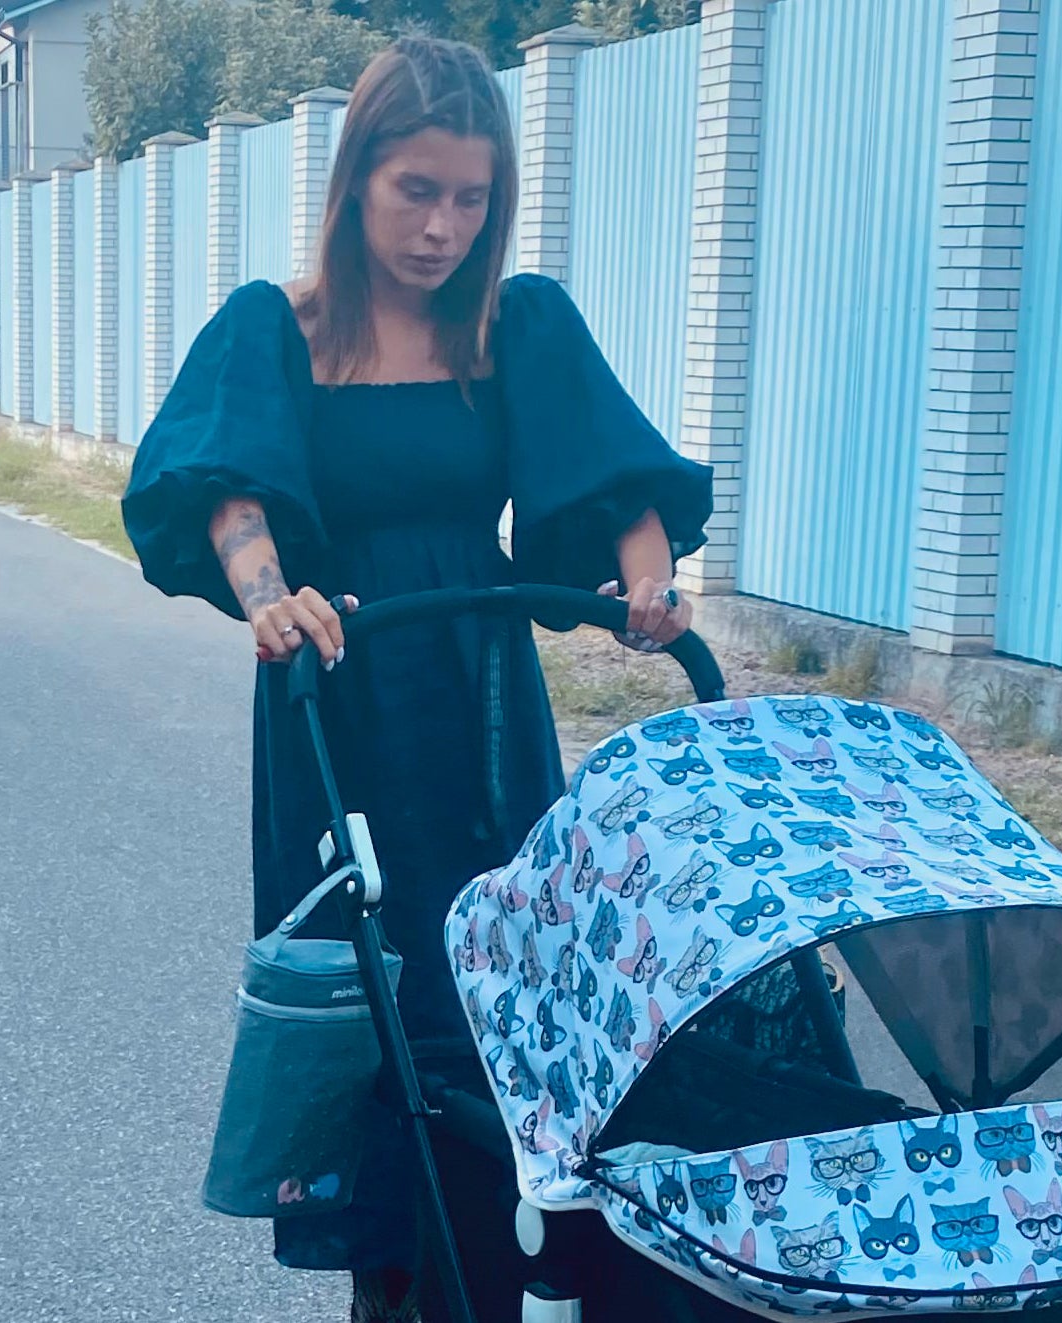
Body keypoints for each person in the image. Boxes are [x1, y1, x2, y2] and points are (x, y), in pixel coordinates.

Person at [120, 34, 713, 1322]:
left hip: (484, 704)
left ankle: (507, 1275)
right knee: (372, 999)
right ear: (356, 181)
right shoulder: (278, 329)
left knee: (503, 989)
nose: (444, 226)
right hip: (337, 700)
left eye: (470, 198)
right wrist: (268, 594)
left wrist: (651, 581)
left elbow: (611, 478)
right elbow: (232, 490)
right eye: (416, 191)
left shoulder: (515, 326)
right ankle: (396, 1284)